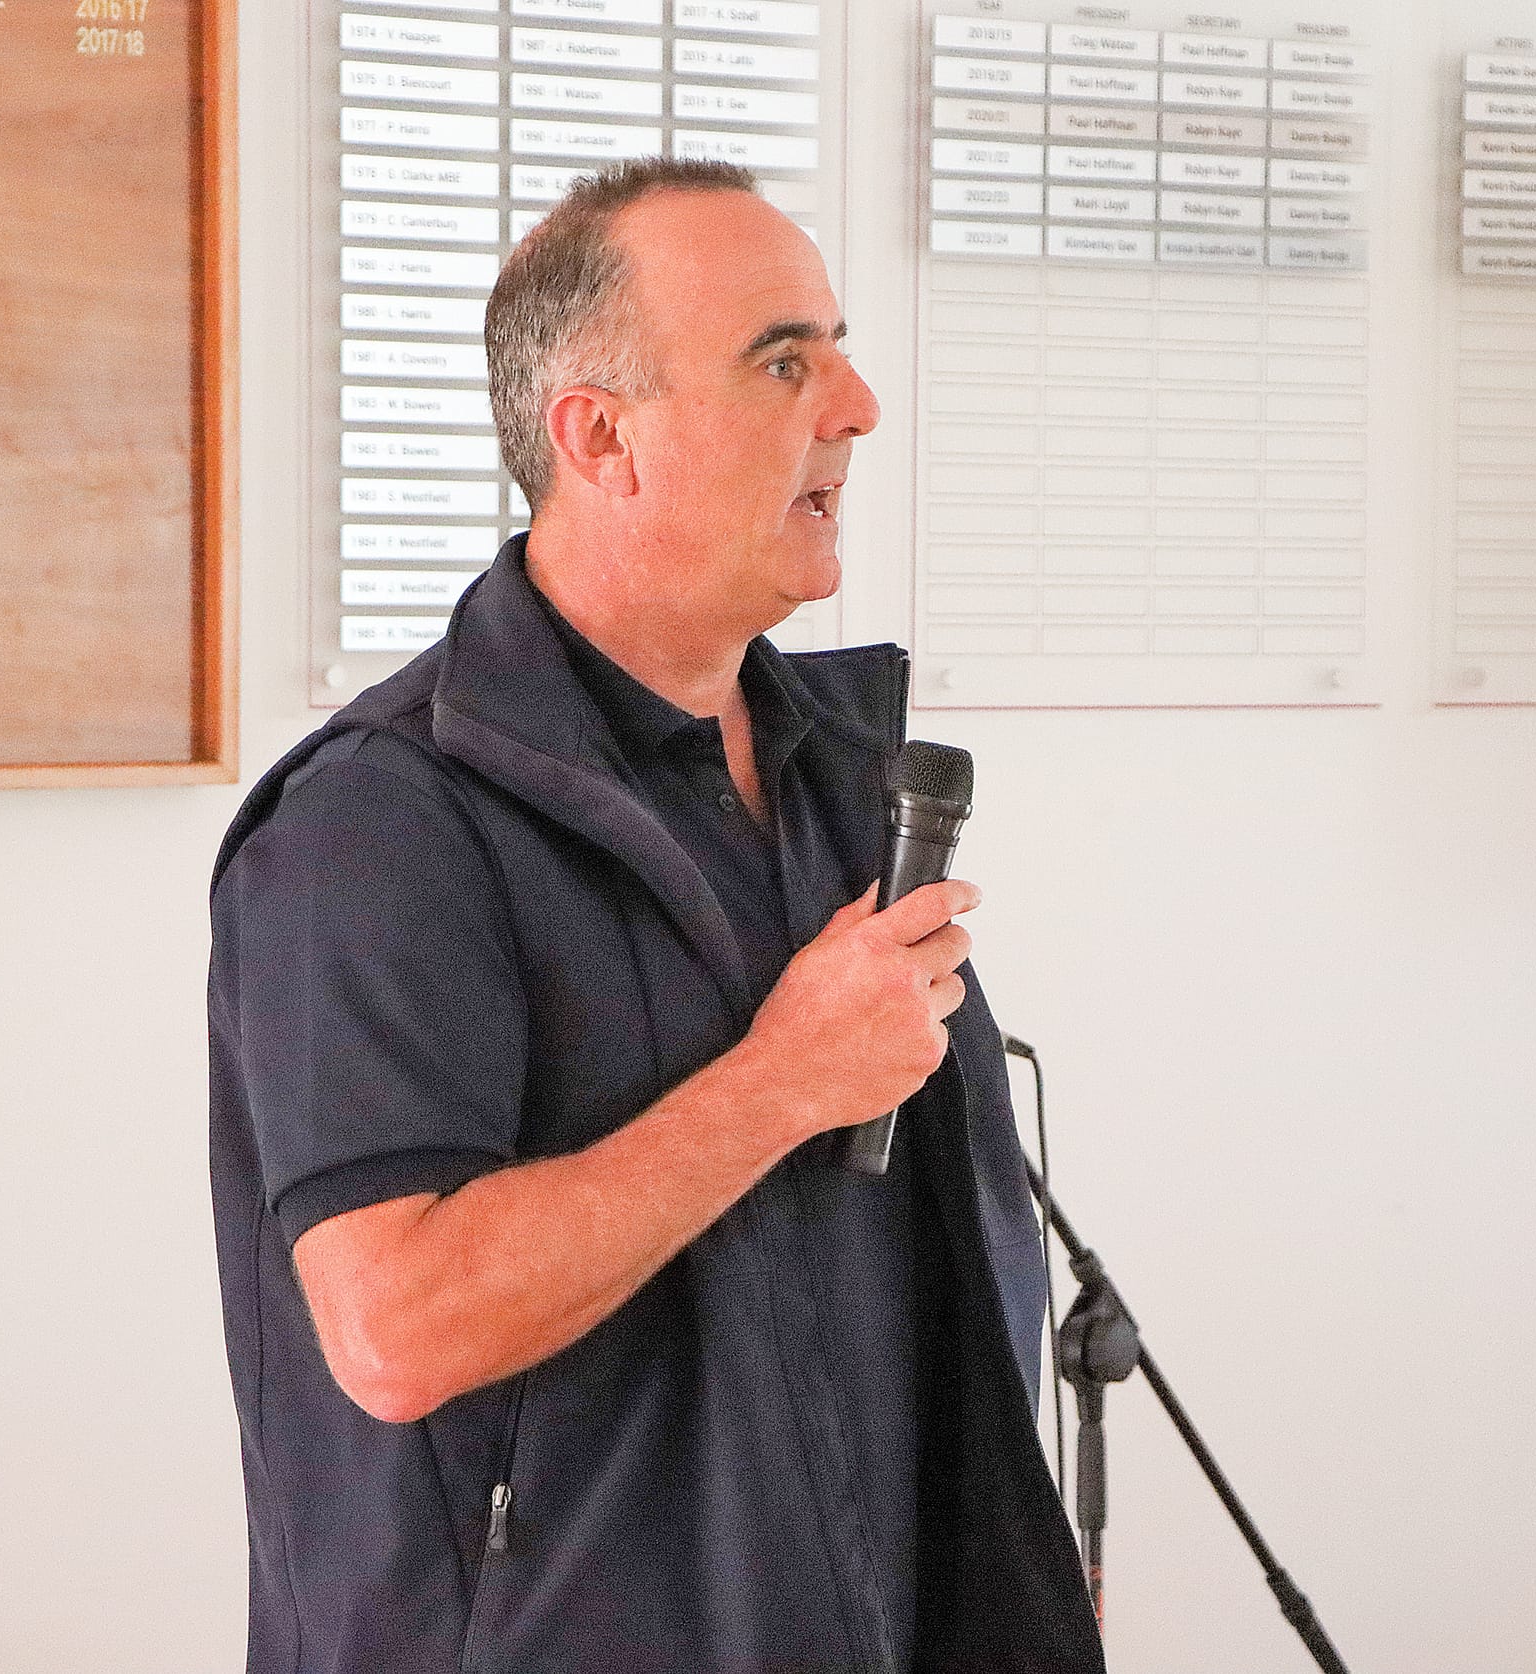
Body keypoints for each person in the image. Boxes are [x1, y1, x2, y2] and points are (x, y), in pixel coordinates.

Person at [208, 158, 1101, 1674]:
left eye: (837, 345)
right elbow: (396, 1324)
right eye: (783, 360)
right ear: (600, 436)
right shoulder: (377, 823)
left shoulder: (846, 782)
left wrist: (1011, 1565)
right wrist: (778, 1084)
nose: (858, 405)